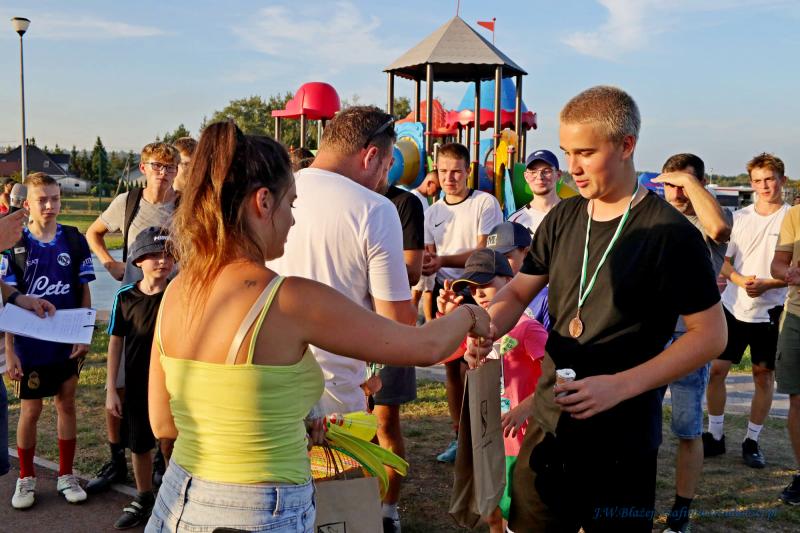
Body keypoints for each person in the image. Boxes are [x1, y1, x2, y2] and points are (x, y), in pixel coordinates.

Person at [146, 121, 489, 532]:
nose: (292, 221)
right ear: (263, 202)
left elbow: (164, 423)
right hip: (258, 509)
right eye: (290, 205)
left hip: (177, 503)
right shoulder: (288, 298)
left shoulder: (178, 289)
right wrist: (470, 314)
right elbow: (423, 346)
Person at [467, 86, 726, 532]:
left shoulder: (670, 233)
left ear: (626, 145)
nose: (573, 167)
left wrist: (619, 386)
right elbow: (519, 292)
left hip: (623, 437)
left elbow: (711, 335)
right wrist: (485, 325)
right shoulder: (563, 218)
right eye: (568, 152)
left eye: (586, 153)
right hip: (550, 423)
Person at [268, 107, 416, 417]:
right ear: (370, 156)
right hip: (335, 397)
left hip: (272, 384)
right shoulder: (375, 208)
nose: (384, 179)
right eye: (387, 166)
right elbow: (398, 322)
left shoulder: (274, 192)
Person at [85, 141, 179, 493]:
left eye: (170, 167)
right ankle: (116, 460)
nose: (163, 173)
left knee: (165, 389)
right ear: (143, 168)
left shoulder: (185, 206)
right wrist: (110, 262)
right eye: (157, 166)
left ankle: (159, 461)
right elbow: (93, 232)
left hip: (170, 305)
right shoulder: (128, 202)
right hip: (133, 303)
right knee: (120, 386)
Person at [2, 172, 95, 509]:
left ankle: (66, 475)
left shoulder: (73, 239)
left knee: (66, 403)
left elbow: (84, 289)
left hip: (66, 340)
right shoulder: (15, 244)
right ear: (26, 204)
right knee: (31, 409)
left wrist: (84, 333)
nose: (50, 205)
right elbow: (9, 301)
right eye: (42, 199)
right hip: (30, 344)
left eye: (55, 198)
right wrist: (10, 350)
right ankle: (26, 478)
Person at [438, 249, 547, 533]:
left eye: (485, 283)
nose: (478, 293)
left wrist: (525, 408)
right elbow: (441, 352)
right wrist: (446, 317)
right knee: (493, 513)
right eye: (471, 287)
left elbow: (558, 376)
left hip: (525, 444)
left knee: (523, 517)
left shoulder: (528, 329)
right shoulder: (477, 332)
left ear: (510, 281)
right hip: (491, 440)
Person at [651, 153, 732, 532]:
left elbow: (718, 229)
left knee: (686, 428)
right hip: (649, 334)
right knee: (640, 425)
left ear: (700, 184)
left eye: (684, 184)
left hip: (691, 338)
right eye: (670, 184)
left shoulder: (714, 216)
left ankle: (681, 510)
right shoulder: (653, 216)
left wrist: (689, 182)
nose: (677, 192)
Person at [704, 153, 789, 468]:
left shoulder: (792, 219)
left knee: (763, 376)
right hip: (733, 307)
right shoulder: (739, 217)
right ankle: (715, 435)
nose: (764, 186)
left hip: (772, 310)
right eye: (758, 181)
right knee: (716, 371)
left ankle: (752, 440)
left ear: (781, 179)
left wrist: (769, 285)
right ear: (751, 183)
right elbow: (724, 261)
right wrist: (739, 280)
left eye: (769, 179)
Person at [422, 142, 503, 463]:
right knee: (452, 368)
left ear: (468, 171)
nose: (449, 178)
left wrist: (441, 260)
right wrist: (429, 276)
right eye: (443, 171)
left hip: (478, 290)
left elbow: (484, 252)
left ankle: (483, 435)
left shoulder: (484, 203)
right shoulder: (432, 212)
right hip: (446, 293)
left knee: (477, 365)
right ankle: (459, 435)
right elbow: (430, 259)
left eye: (456, 171)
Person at [105, 228, 175, 529]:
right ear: (138, 261)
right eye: (155, 255)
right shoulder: (125, 297)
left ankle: (173, 496)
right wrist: (111, 388)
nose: (163, 261)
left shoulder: (178, 295)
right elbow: (115, 342)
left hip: (171, 386)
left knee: (170, 442)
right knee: (139, 443)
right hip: (136, 384)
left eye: (168, 255)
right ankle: (144, 496)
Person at [378, 183, 425, 532]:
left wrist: (367, 260)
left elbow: (412, 271)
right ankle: (354, 504)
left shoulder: (404, 203)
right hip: (342, 326)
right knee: (343, 424)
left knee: (384, 422)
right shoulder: (344, 194)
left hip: (388, 327)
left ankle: (388, 508)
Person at [772, 200, 800, 505]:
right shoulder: (795, 215)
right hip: (795, 317)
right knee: (797, 399)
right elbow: (777, 265)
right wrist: (788, 273)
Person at [487, 221, 552, 332]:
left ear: (527, 253)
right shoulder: (486, 292)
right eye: (492, 259)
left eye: (505, 257)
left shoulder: (544, 298)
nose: (497, 264)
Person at [410, 171, 441, 324]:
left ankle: (428, 322)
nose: (438, 192)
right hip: (420, 253)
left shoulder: (424, 201)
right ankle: (410, 323)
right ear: (430, 183)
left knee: (428, 290)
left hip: (428, 253)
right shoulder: (414, 198)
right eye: (438, 188)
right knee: (416, 291)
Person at [508, 149, 562, 235]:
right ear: (526, 177)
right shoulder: (515, 221)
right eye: (533, 172)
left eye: (546, 171)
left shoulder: (574, 213)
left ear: (558, 175)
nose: (539, 177)